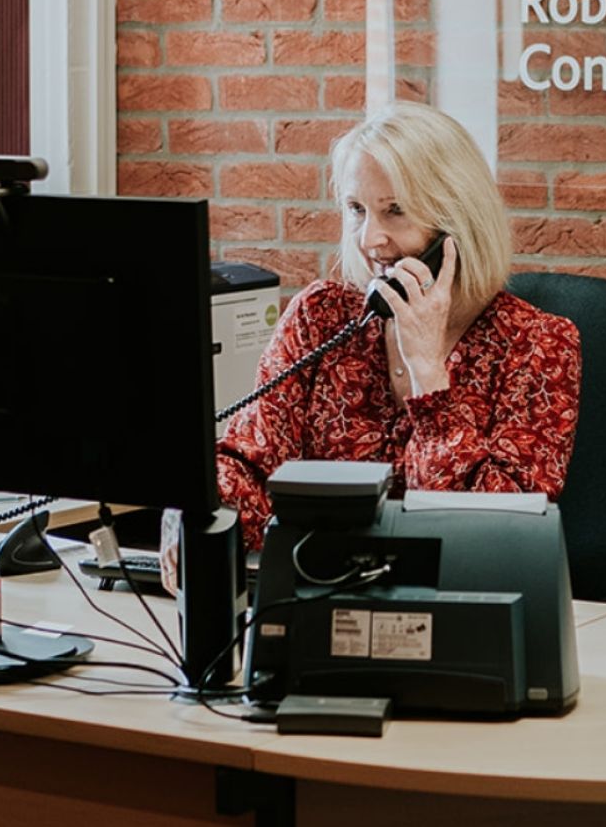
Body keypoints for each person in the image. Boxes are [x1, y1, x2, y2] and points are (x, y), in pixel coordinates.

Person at [160, 102, 581, 593]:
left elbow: (492, 538)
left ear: (456, 227)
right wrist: (199, 512)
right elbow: (250, 461)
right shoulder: (321, 318)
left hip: (462, 619)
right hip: (315, 600)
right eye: (357, 210)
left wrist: (428, 373)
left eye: (395, 211)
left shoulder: (537, 345)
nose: (370, 239)